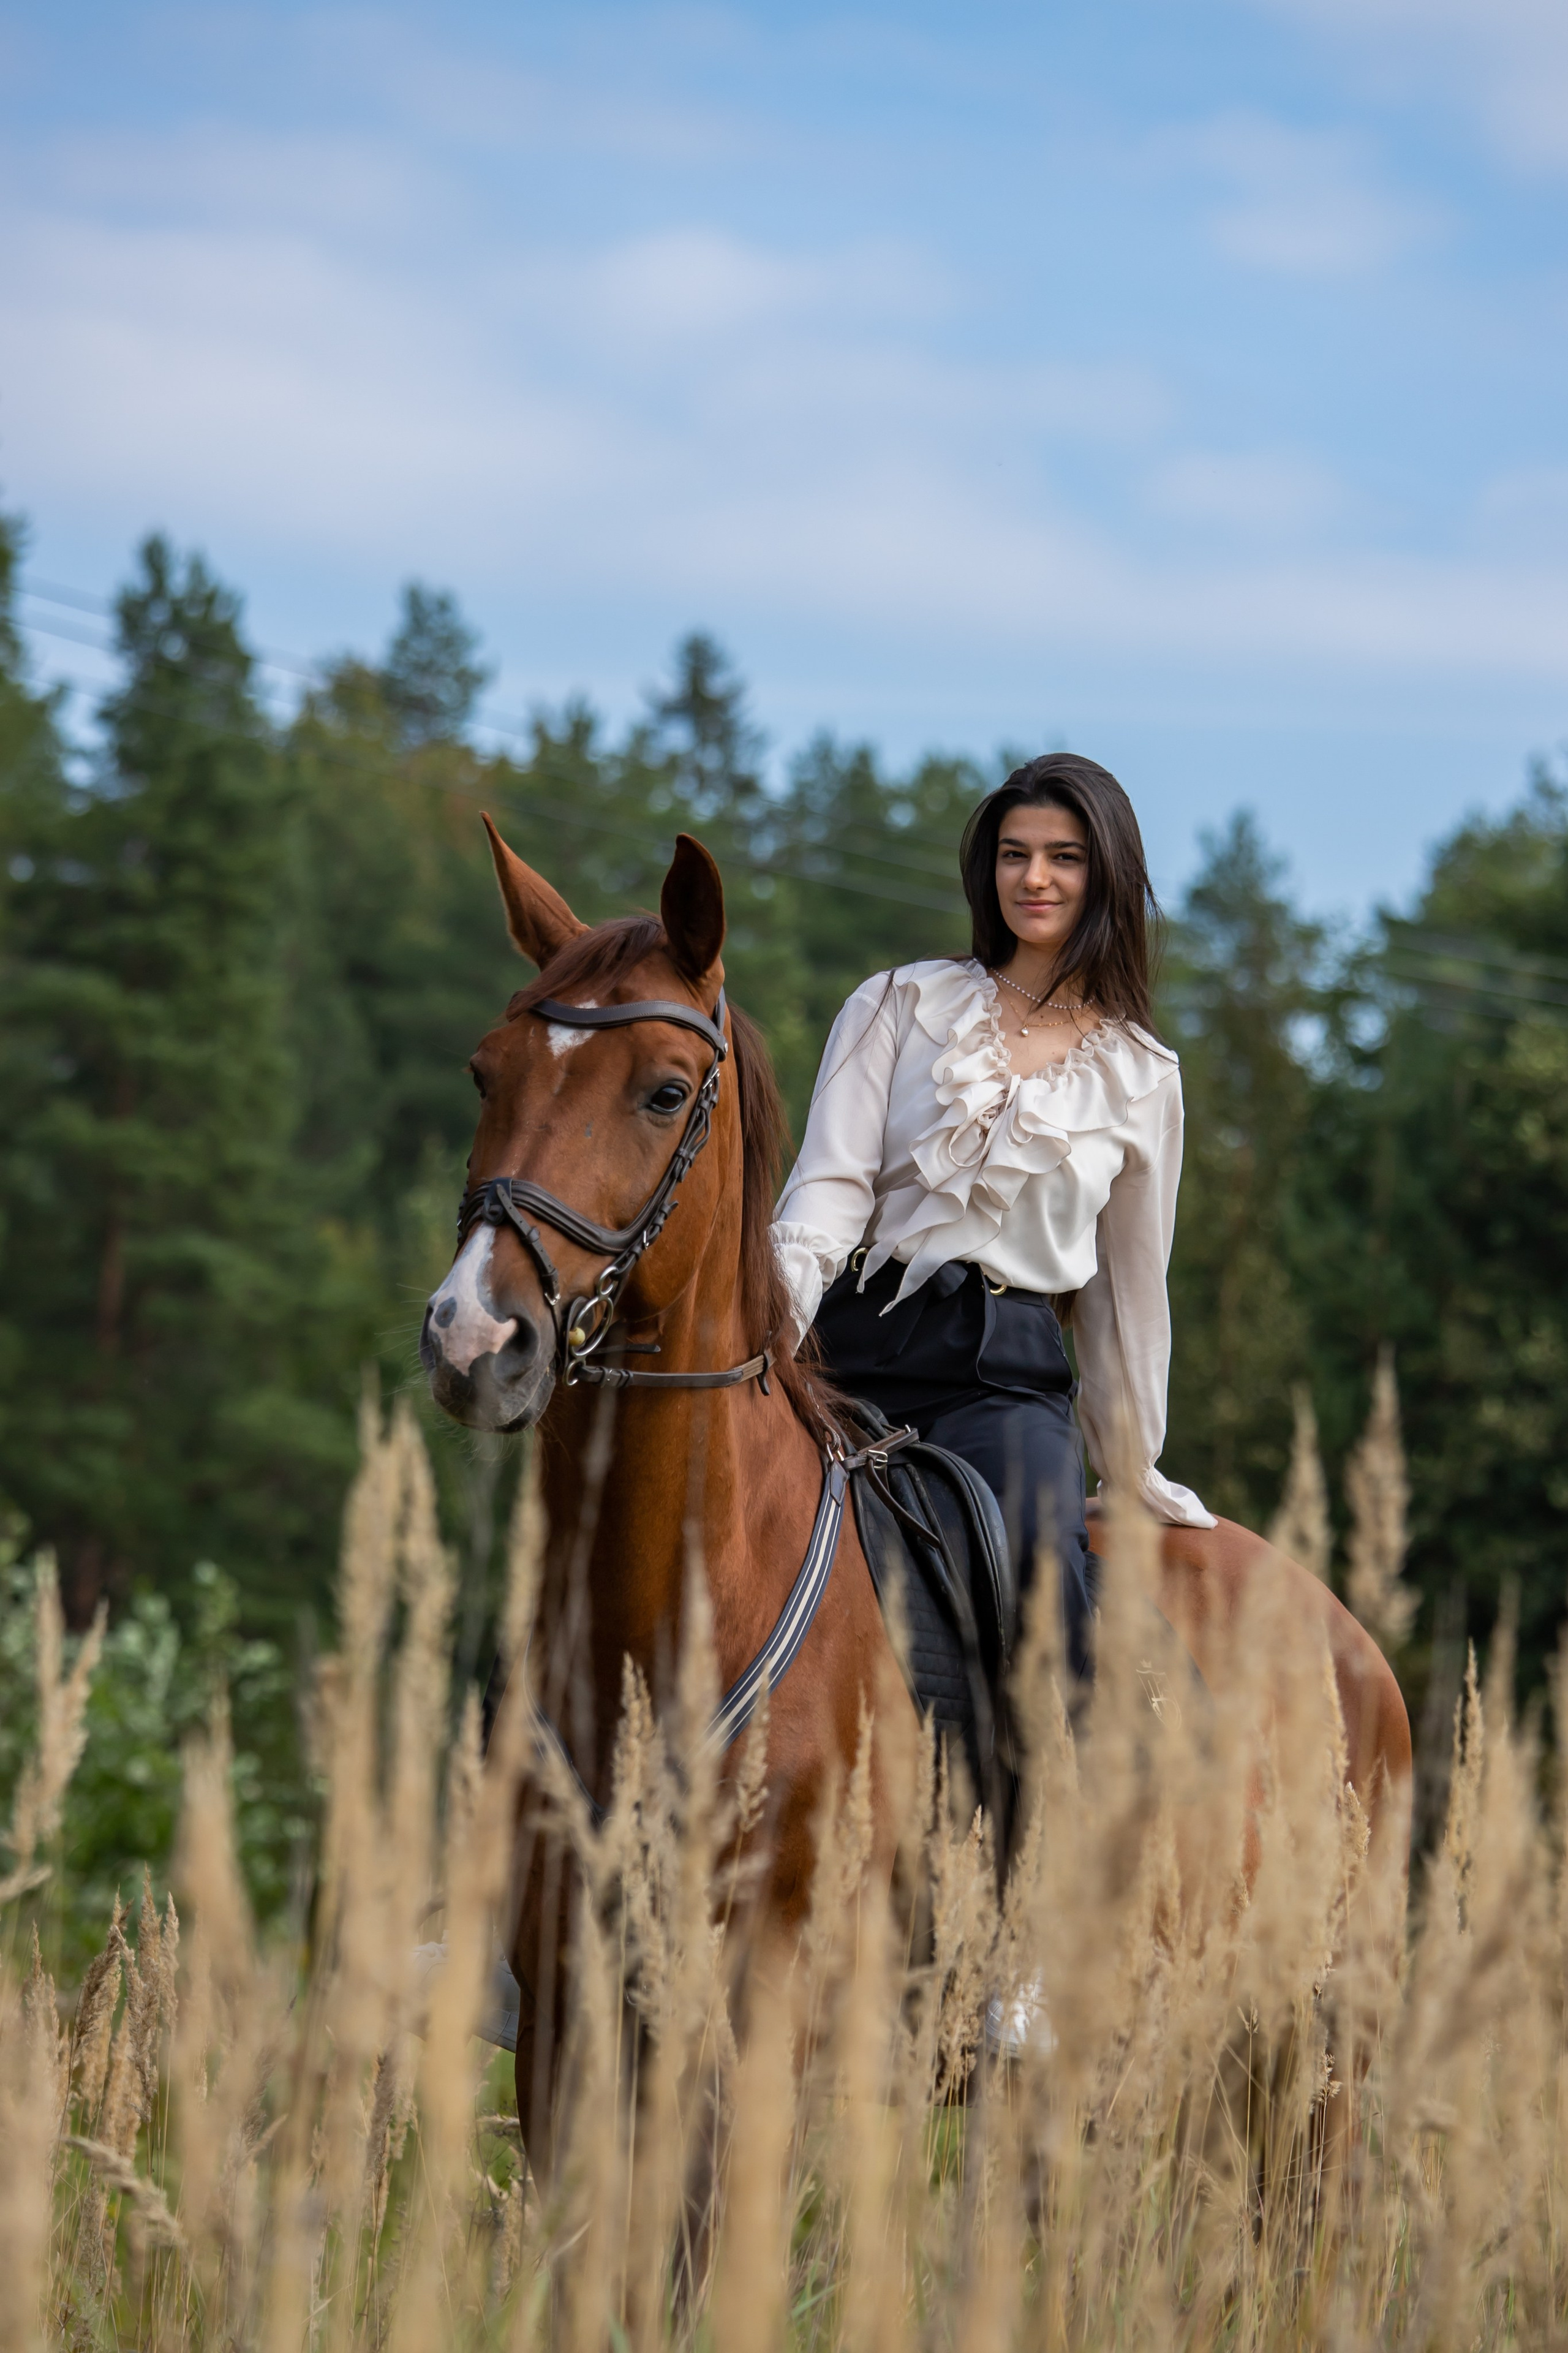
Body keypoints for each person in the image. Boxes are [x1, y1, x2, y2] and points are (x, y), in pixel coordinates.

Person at [771, 752, 1213, 1686]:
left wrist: (1129, 1459)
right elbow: (831, 1186)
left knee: (1045, 1600)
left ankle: (1054, 1817)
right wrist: (771, 1319)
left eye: (1064, 856)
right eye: (1015, 854)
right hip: (845, 1348)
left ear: (1108, 876)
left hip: (1002, 1380)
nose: (1035, 878)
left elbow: (1127, 1292)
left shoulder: (1142, 1075)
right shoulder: (899, 1002)